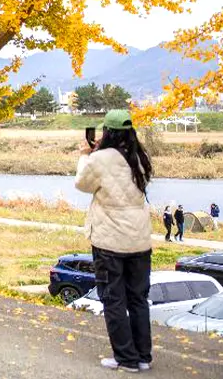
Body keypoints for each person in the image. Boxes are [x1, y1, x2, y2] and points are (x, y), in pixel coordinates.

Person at [74, 109, 154, 373]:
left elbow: (82, 184)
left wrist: (85, 155)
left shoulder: (99, 159)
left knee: (114, 300)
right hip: (140, 240)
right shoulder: (139, 156)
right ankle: (143, 356)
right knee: (138, 299)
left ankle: (125, 358)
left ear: (106, 131)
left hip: (110, 241)